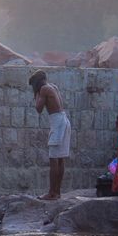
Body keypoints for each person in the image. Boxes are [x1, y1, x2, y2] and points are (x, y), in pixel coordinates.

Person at [30, 70, 71, 200]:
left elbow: (38, 109)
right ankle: (57, 192)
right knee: (60, 158)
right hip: (63, 121)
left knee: (53, 159)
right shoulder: (53, 86)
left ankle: (52, 193)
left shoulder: (43, 89)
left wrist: (36, 94)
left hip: (58, 123)